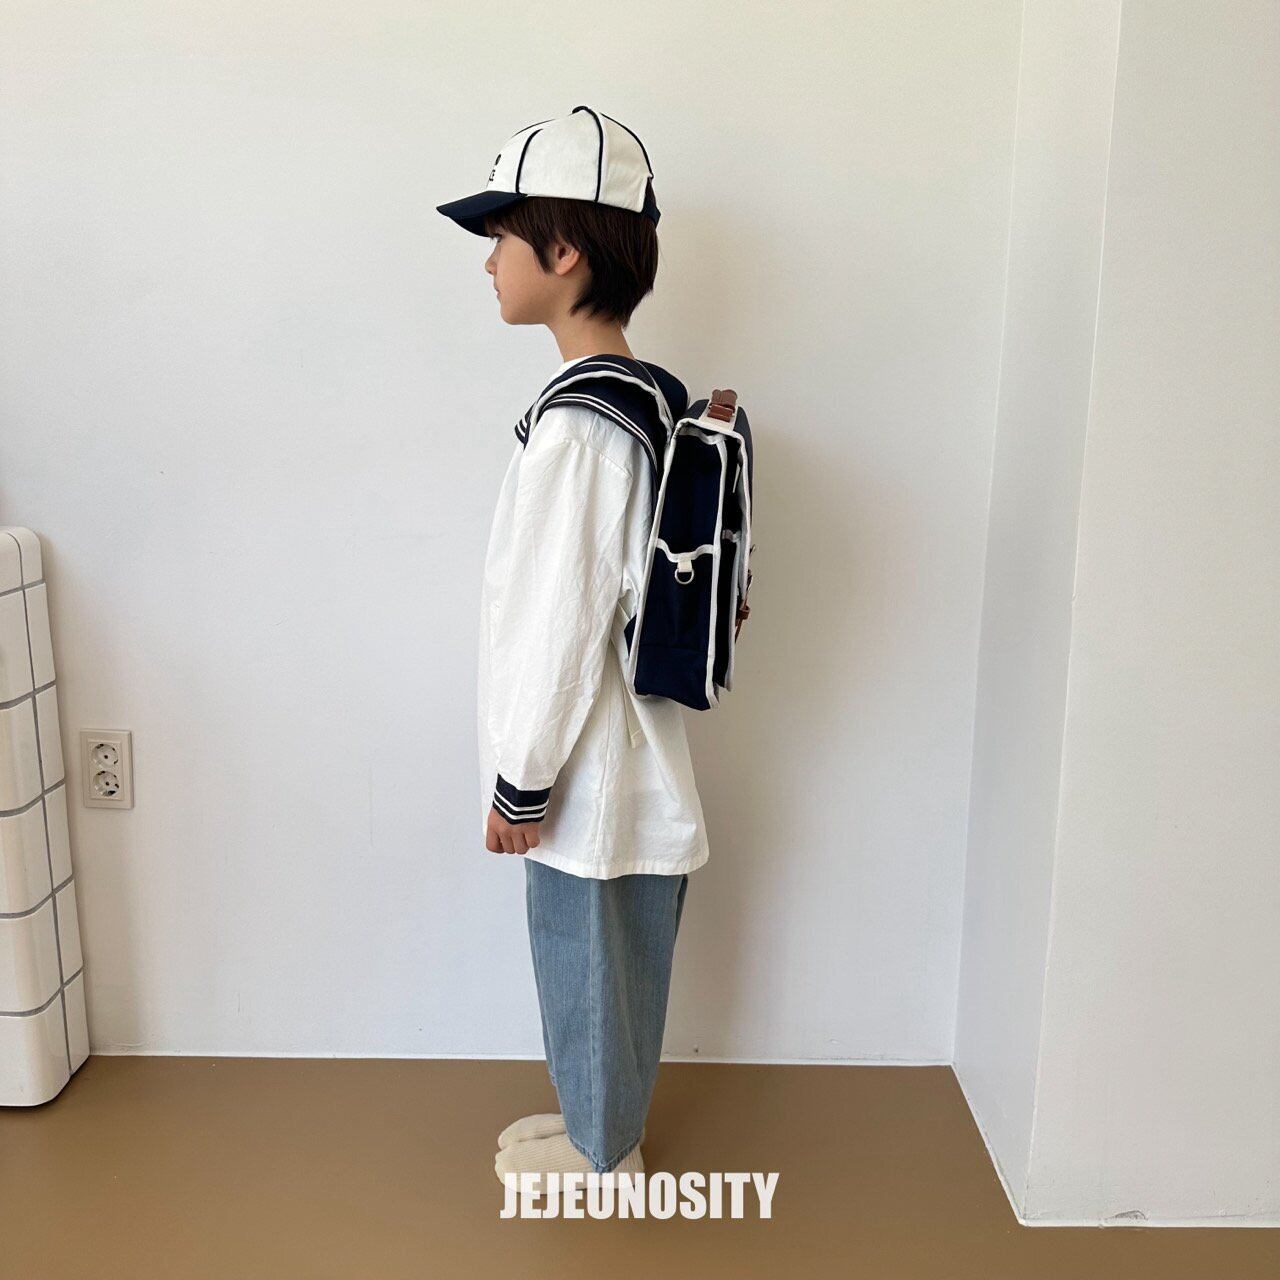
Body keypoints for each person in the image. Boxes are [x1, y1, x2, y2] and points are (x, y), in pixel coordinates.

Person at [436, 105, 710, 1192]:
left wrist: (522, 778)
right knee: (606, 962)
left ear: (565, 253)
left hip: (585, 769)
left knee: (588, 957)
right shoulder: (647, 396)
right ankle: (601, 1123)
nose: (488, 262)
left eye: (501, 237)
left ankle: (606, 1152)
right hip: (626, 752)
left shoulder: (581, 427)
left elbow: (556, 621)